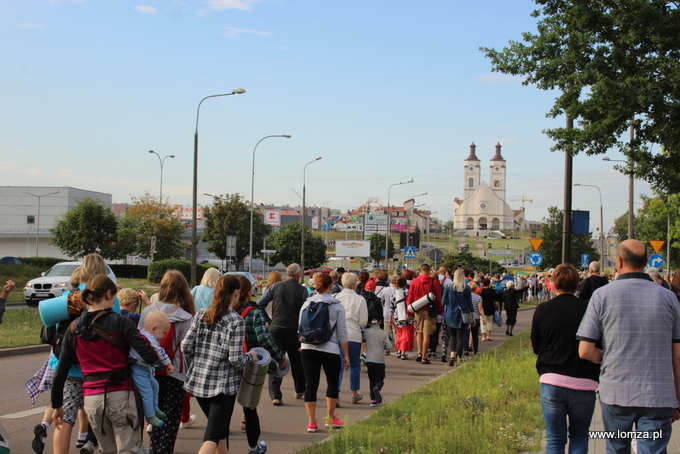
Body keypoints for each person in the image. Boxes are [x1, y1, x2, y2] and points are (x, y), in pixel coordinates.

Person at [577, 239, 680, 453]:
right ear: (645, 262)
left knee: (616, 448)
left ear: (619, 261)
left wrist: (609, 358)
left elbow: (585, 350)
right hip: (658, 395)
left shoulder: (602, 296)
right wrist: (677, 396)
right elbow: (677, 356)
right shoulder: (669, 298)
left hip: (616, 392)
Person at [50, 275, 159, 454]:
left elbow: (61, 372)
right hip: (121, 395)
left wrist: (56, 405)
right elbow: (149, 355)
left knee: (107, 450)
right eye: (114, 295)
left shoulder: (73, 327)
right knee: (129, 450)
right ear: (109, 294)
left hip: (92, 399)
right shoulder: (121, 322)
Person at [181, 275, 258, 454]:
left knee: (221, 431)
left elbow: (185, 346)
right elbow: (235, 360)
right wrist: (251, 356)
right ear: (237, 292)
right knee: (213, 435)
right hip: (222, 386)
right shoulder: (235, 321)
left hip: (199, 381)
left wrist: (201, 357)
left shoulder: (201, 314)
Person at [531, 263, 600, 453]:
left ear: (553, 283)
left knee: (554, 438)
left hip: (552, 379)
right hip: (584, 380)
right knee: (579, 434)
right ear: (578, 284)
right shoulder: (589, 308)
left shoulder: (542, 309)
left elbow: (537, 347)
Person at [139, 269, 195, 454]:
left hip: (149, 372)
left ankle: (154, 449)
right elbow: (188, 350)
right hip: (175, 373)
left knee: (154, 416)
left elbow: (139, 340)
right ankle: (164, 450)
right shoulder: (186, 317)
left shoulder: (148, 311)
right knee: (170, 420)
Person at [236, 275, 286, 454]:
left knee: (223, 411)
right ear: (248, 292)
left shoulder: (223, 311)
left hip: (226, 366)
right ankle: (253, 447)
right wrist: (281, 358)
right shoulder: (254, 312)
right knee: (250, 409)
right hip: (250, 367)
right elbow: (264, 340)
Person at [299, 274, 350, 432]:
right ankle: (330, 418)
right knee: (332, 382)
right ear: (331, 287)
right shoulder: (336, 305)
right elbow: (342, 332)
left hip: (308, 348)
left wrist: (302, 344)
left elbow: (300, 326)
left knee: (311, 385)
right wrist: (346, 354)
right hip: (330, 348)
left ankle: (311, 422)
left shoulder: (306, 303)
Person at [258, 263, 308, 405]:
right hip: (294, 329)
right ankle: (299, 389)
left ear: (287, 274)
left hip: (276, 327)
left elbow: (260, 304)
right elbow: (305, 311)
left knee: (276, 359)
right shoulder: (302, 291)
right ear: (299, 275)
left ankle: (276, 395)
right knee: (297, 360)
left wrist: (269, 320)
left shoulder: (275, 286)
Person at [128, 310, 173, 427]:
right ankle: (150, 415)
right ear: (153, 328)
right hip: (138, 368)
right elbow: (160, 351)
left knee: (155, 386)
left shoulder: (141, 334)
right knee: (147, 392)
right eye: (163, 332)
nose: (163, 336)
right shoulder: (150, 339)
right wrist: (168, 364)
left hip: (145, 368)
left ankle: (155, 408)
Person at [334, 272, 368, 404]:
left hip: (337, 336)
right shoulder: (360, 300)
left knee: (338, 366)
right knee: (354, 365)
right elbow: (363, 322)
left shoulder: (335, 297)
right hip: (353, 335)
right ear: (355, 286)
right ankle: (354, 393)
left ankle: (335, 394)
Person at [406, 264, 442, 364]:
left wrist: (409, 312)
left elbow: (410, 297)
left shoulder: (414, 281)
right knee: (427, 334)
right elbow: (438, 299)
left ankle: (419, 353)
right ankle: (424, 357)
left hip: (417, 310)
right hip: (430, 311)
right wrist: (440, 312)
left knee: (419, 332)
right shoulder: (434, 282)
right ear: (429, 270)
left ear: (421, 270)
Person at [441, 269, 474, 367]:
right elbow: (470, 304)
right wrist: (472, 316)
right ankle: (459, 358)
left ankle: (452, 356)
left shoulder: (448, 287)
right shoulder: (466, 288)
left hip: (450, 314)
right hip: (462, 315)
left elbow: (443, 302)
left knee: (452, 336)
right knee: (460, 337)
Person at [362, 317, 391, 407]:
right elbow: (389, 346)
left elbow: (362, 340)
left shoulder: (366, 333)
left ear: (369, 323)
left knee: (371, 380)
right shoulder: (383, 333)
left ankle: (373, 400)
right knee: (380, 379)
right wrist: (383, 348)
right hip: (380, 360)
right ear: (380, 322)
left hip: (369, 360)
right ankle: (377, 388)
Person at [389, 276, 413, 360]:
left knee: (399, 333)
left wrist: (390, 317)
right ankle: (403, 352)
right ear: (405, 283)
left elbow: (391, 306)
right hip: (407, 316)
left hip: (397, 315)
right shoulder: (408, 292)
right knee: (406, 335)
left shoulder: (394, 293)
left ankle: (398, 350)